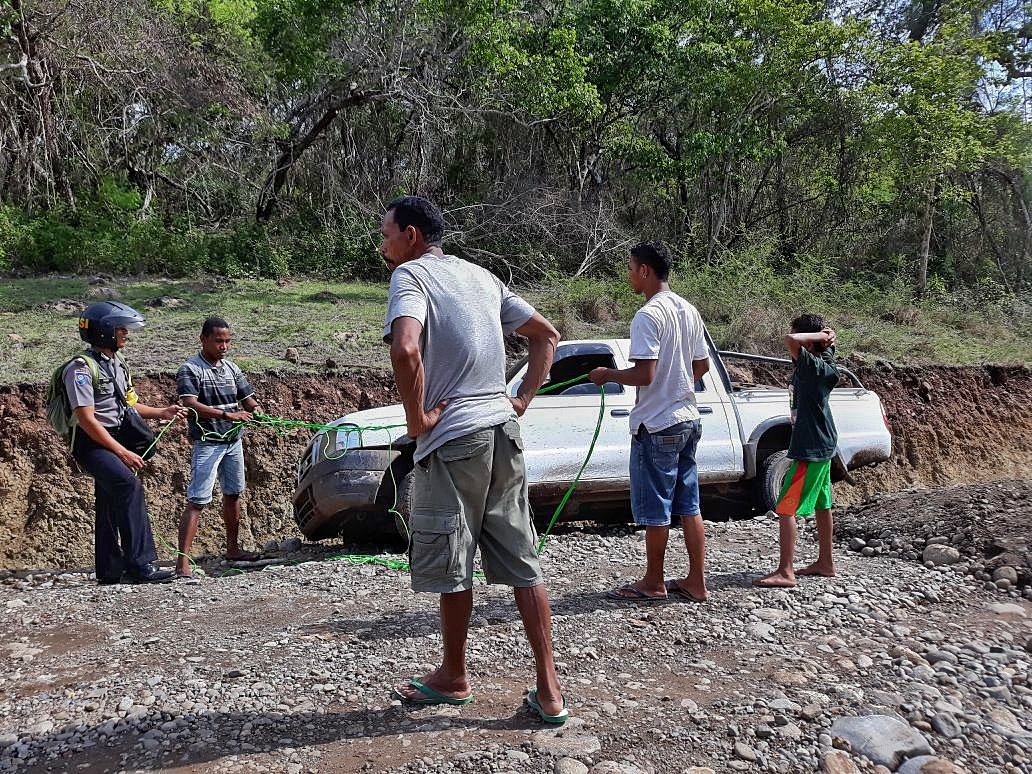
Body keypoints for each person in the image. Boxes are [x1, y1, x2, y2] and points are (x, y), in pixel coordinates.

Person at [380, 195, 567, 724]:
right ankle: (549, 691)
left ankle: (456, 675)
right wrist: (522, 399)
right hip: (503, 433)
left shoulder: (410, 278)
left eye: (387, 233)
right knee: (523, 563)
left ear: (412, 236)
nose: (383, 243)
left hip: (455, 440)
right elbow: (546, 336)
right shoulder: (482, 276)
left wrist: (417, 422)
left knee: (453, 561)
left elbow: (406, 350)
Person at [588, 241, 711, 603]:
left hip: (657, 425)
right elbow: (701, 366)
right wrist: (679, 382)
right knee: (690, 504)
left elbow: (645, 373)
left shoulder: (647, 316)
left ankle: (654, 583)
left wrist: (606, 374)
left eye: (630, 268)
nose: (629, 275)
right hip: (688, 418)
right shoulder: (689, 310)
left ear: (644, 271)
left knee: (656, 507)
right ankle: (696, 582)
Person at [63, 301, 184, 584]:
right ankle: (141, 565)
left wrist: (162, 412)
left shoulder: (117, 364)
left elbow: (129, 404)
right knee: (128, 486)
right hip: (92, 442)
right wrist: (122, 452)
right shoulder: (80, 369)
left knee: (108, 499)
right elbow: (87, 420)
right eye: (121, 329)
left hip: (113, 438)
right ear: (105, 331)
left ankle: (109, 571)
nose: (126, 334)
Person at [175, 316, 264, 577]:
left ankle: (233, 550)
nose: (223, 346)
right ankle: (182, 564)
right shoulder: (190, 369)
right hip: (208, 442)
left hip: (232, 441)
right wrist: (227, 415)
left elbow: (248, 399)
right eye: (218, 341)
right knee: (198, 500)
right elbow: (190, 403)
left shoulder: (232, 369)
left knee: (233, 494)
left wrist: (256, 409)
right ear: (203, 339)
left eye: (227, 341)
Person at [754, 314, 839, 588]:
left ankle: (786, 571)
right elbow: (799, 342)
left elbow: (791, 340)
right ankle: (825, 562)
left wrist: (820, 337)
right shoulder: (825, 360)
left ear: (811, 343)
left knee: (785, 507)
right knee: (822, 503)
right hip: (822, 441)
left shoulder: (814, 364)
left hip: (810, 446)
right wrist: (825, 338)